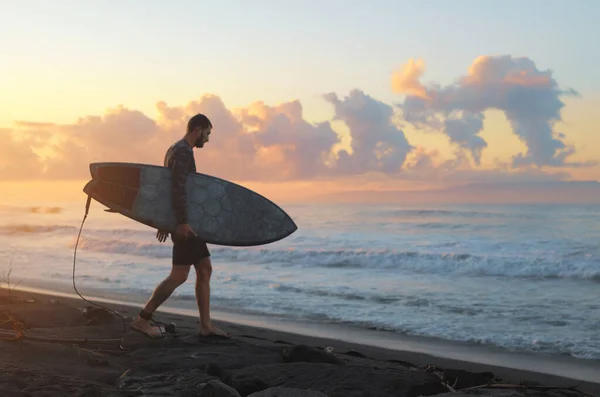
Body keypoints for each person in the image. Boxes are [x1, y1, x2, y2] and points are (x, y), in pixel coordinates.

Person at [131, 113, 229, 339]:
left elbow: (166, 187)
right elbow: (177, 188)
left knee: (204, 269)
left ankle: (205, 325)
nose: (207, 139)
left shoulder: (174, 149)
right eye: (207, 133)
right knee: (178, 275)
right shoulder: (183, 151)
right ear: (198, 129)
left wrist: (165, 219)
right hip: (186, 225)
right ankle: (142, 320)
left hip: (184, 221)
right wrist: (181, 222)